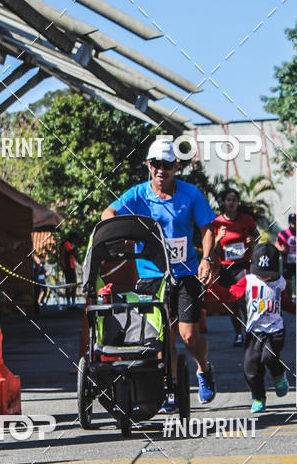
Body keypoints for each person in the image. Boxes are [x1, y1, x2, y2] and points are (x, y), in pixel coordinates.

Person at [101, 136, 217, 406]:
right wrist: (122, 229)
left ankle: (204, 369)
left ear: (176, 166)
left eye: (167, 164)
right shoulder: (138, 194)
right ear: (148, 165)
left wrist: (207, 259)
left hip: (186, 273)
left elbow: (207, 229)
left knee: (189, 335)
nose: (161, 170)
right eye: (156, 164)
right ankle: (171, 388)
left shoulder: (190, 194)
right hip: (151, 274)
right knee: (164, 337)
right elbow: (107, 213)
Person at [229, 243, 296, 413]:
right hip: (254, 331)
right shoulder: (248, 280)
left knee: (269, 357)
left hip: (275, 330)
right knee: (250, 367)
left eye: (268, 275)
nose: (264, 278)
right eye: (260, 274)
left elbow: (285, 302)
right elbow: (231, 294)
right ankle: (258, 398)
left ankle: (279, 374)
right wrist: (211, 290)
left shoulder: (280, 282)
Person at [211, 187, 258, 346]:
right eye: (228, 200)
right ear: (224, 203)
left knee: (244, 298)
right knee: (231, 303)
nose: (231, 203)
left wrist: (252, 240)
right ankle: (238, 333)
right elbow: (213, 248)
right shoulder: (217, 222)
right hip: (226, 268)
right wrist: (218, 238)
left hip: (242, 265)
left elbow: (256, 235)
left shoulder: (246, 220)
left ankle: (250, 330)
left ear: (238, 203)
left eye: (234, 200)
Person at [276, 214, 297, 284]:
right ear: (289, 222)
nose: (293, 223)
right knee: (287, 282)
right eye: (292, 221)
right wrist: (282, 250)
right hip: (287, 263)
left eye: (295, 221)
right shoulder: (283, 233)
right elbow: (277, 244)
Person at [60, 235, 77, 307]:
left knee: (73, 285)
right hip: (68, 267)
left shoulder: (69, 244)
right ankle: (69, 303)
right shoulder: (66, 244)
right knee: (69, 285)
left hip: (71, 267)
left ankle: (72, 302)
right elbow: (71, 252)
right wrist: (76, 247)